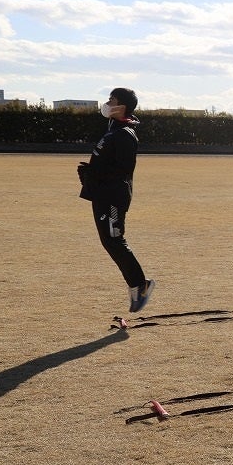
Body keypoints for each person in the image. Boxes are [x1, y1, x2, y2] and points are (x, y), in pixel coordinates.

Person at [78, 87, 153, 312]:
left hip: (112, 197)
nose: (108, 102)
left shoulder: (124, 135)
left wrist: (95, 176)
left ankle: (140, 286)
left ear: (122, 106)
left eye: (112, 99)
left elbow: (122, 170)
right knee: (109, 240)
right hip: (102, 194)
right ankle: (138, 286)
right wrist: (91, 173)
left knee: (114, 239)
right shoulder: (115, 127)